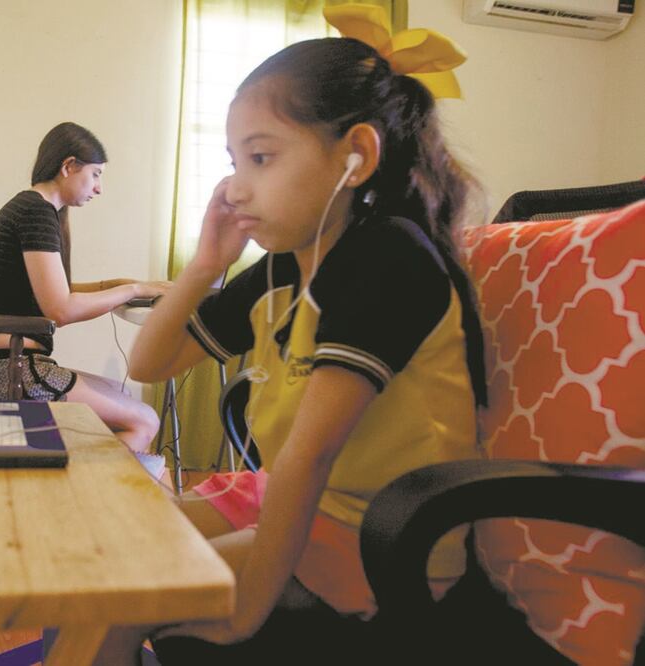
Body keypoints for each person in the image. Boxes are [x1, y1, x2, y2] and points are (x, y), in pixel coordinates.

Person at [97, 23, 488, 666]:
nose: (235, 187)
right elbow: (151, 363)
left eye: (262, 157)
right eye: (232, 162)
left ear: (354, 155)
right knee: (120, 551)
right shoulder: (282, 266)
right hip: (315, 510)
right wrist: (204, 267)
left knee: (130, 591)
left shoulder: (386, 257)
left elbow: (312, 455)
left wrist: (246, 611)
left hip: (388, 540)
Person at [0, 121, 170, 469]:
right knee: (145, 421)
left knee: (122, 394)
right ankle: (80, 493)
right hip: (10, 371)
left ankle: (77, 484)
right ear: (68, 167)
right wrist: (136, 289)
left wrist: (118, 285)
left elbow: (57, 289)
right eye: (95, 175)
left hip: (12, 363)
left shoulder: (36, 209)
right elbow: (60, 308)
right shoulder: (35, 212)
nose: (98, 188)